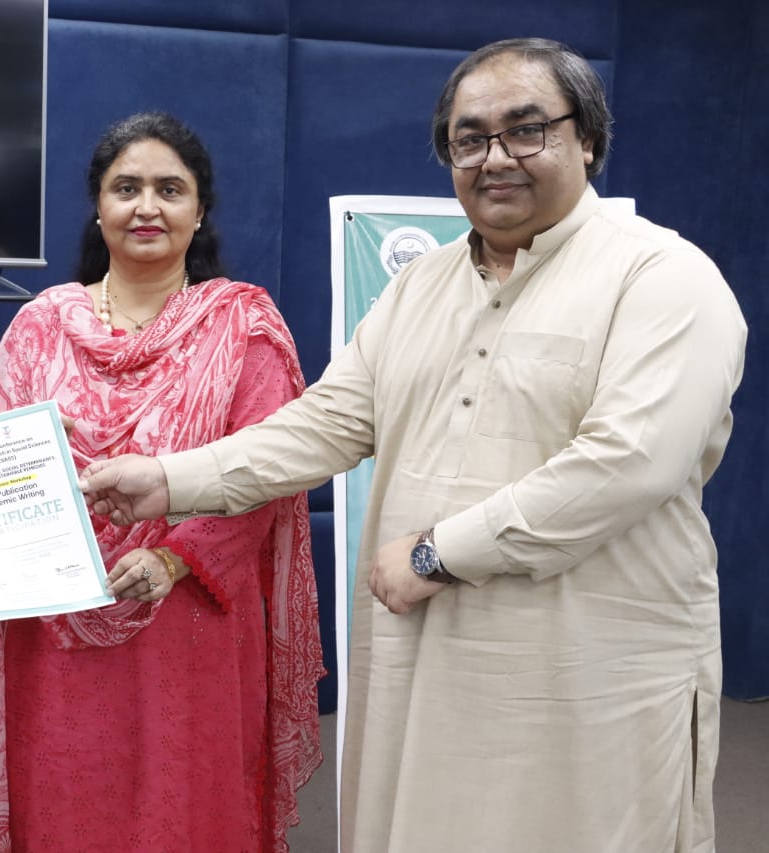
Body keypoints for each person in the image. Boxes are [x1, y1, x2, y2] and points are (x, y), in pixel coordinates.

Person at [81, 39, 747, 853]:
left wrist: (438, 554)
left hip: (586, 681)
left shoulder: (664, 277)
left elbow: (628, 465)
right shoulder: (420, 286)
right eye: (469, 139)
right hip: (426, 668)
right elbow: (326, 421)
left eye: (526, 129)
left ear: (588, 140)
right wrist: (168, 479)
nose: (494, 157)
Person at [0, 112, 325, 852]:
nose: (146, 207)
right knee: (62, 807)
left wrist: (172, 558)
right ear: (99, 206)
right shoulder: (41, 326)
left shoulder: (242, 327)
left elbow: (267, 472)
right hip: (51, 627)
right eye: (126, 188)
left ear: (199, 210)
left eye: (169, 189)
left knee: (180, 814)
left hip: (187, 623)